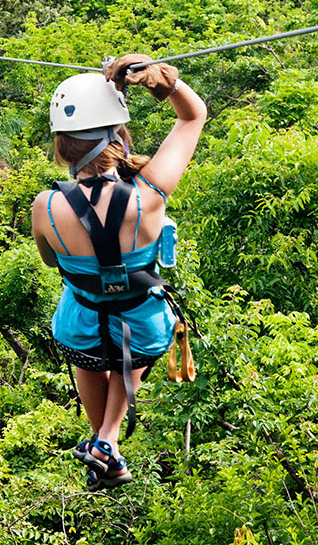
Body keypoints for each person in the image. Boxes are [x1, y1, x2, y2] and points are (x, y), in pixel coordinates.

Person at [31, 53, 207, 490]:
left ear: (62, 146)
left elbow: (52, 261)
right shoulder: (150, 194)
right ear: (118, 139)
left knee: (90, 354)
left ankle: (102, 439)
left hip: (81, 323)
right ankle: (107, 439)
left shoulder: (45, 206)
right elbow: (193, 118)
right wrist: (160, 80)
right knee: (129, 341)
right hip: (142, 324)